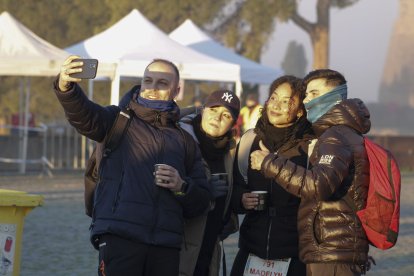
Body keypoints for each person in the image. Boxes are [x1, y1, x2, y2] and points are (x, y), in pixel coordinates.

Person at [54, 55, 212, 276]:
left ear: (176, 91)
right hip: (119, 236)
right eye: (148, 80)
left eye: (162, 83)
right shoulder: (117, 120)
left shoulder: (185, 140)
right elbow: (84, 115)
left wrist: (181, 185)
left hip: (165, 246)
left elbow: (201, 202)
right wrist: (66, 87)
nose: (152, 88)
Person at [250, 69, 371, 276]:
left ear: (335, 96)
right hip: (334, 249)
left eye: (314, 94)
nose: (307, 101)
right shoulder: (341, 133)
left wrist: (269, 163)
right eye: (306, 95)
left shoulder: (336, 135)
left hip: (331, 251)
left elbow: (318, 186)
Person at [230, 75, 312, 276]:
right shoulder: (250, 139)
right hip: (252, 247)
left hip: (295, 252)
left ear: (300, 110)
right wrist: (242, 199)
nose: (276, 105)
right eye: (274, 98)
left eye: (287, 101)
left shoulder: (310, 146)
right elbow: (236, 185)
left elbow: (315, 191)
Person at [178, 89, 240, 276]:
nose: (218, 117)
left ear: (232, 123)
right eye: (213, 109)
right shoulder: (180, 141)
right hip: (178, 248)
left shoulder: (231, 152)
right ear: (203, 110)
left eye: (226, 115)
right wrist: (203, 192)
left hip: (209, 249)